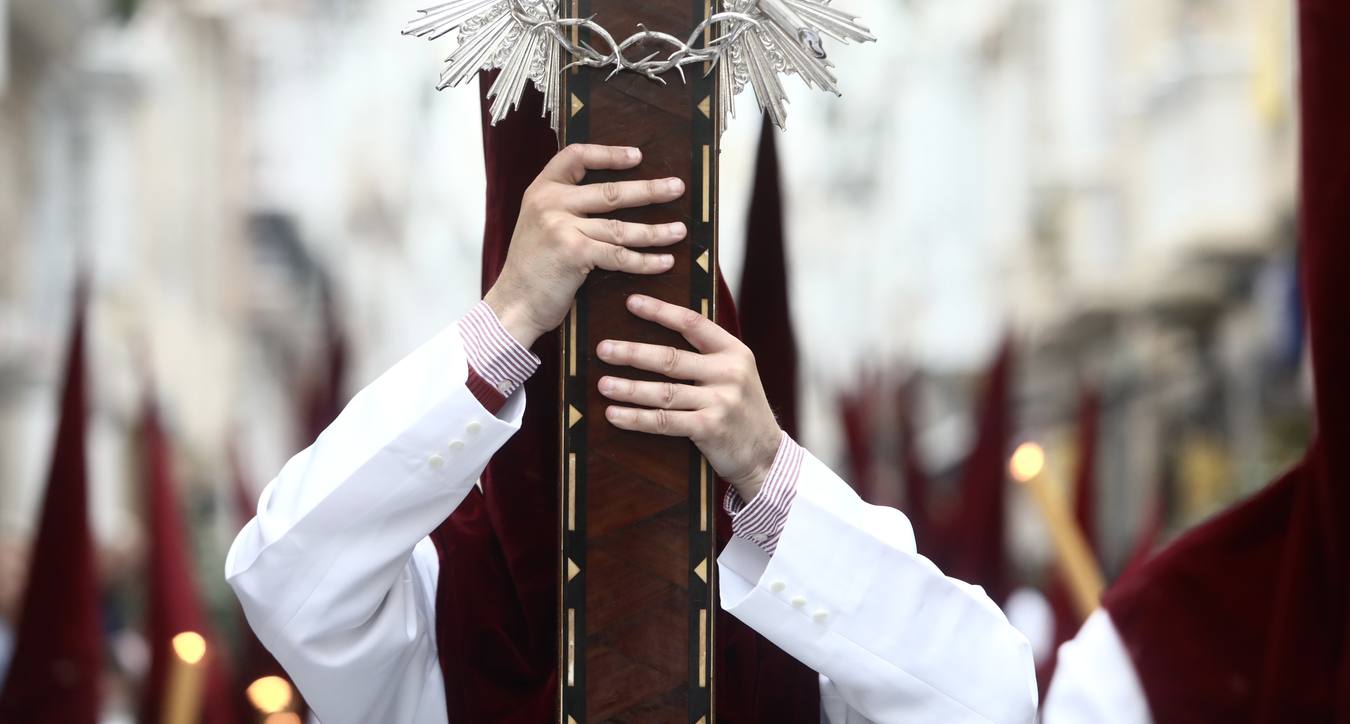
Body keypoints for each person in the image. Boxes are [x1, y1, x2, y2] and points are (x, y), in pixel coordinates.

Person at [226, 144, 1037, 724]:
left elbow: (990, 700)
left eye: (662, 392)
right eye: (562, 368)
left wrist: (764, 468)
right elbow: (284, 577)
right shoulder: (445, 608)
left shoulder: (801, 592)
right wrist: (505, 322)